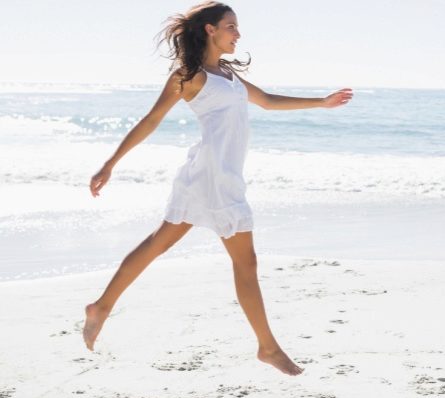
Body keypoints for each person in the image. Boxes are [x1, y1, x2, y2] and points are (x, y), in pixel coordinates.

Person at [82, 1, 353, 376]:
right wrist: (110, 164)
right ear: (210, 29)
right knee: (245, 262)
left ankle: (101, 307)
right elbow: (152, 119)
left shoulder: (227, 74)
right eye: (231, 26)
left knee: (159, 243)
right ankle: (268, 347)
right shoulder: (189, 76)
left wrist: (321, 103)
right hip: (214, 177)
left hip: (217, 174)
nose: (237, 33)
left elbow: (268, 101)